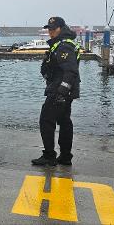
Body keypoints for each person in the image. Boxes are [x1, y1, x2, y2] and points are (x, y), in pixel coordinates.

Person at [32, 17, 81, 166]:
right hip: (65, 90)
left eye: (53, 29)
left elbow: (70, 71)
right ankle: (65, 156)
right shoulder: (61, 44)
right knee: (64, 121)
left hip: (60, 90)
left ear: (61, 28)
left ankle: (49, 156)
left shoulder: (64, 46)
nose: (50, 32)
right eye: (49, 29)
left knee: (46, 120)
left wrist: (61, 91)